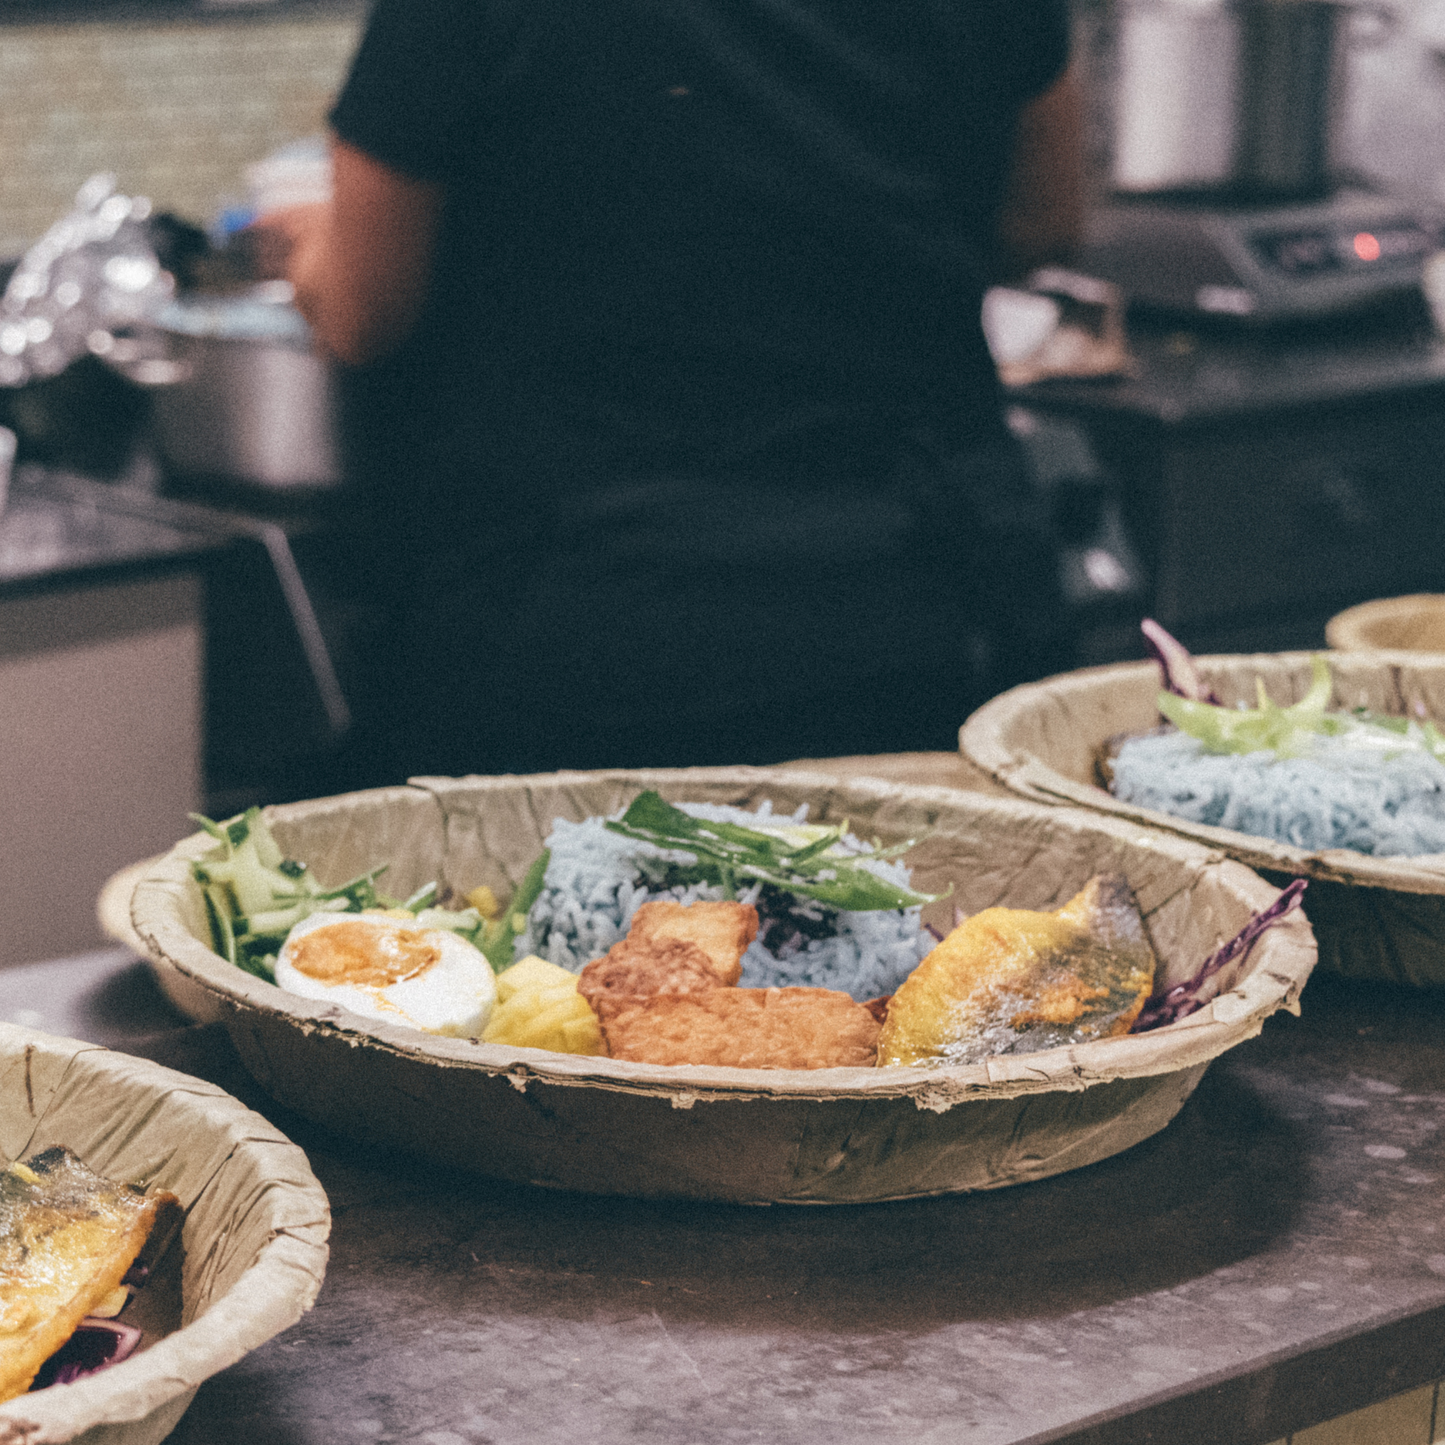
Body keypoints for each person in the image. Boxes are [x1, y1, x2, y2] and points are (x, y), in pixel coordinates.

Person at [257, 0, 1084, 784]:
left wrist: (309, 247)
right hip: (920, 601)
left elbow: (366, 312)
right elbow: (1040, 222)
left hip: (590, 626)